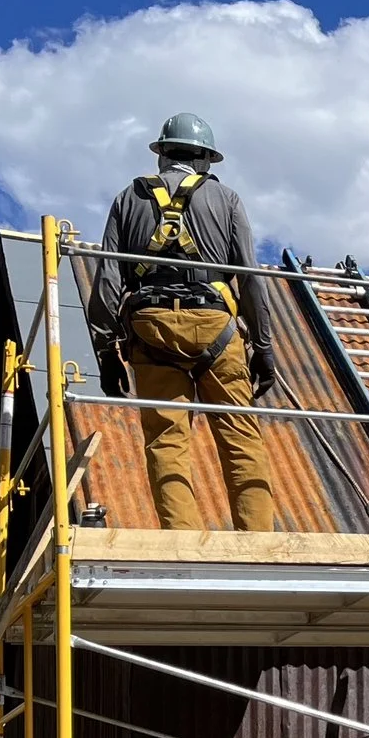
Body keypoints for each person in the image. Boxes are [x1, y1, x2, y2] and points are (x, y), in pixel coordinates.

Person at [87, 112, 279, 532]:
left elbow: (108, 279)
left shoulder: (128, 199)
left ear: (162, 155)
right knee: (240, 437)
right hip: (215, 325)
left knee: (166, 442)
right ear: (206, 159)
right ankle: (257, 541)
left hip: (150, 328)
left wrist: (105, 352)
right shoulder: (225, 199)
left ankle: (183, 541)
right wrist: (263, 348)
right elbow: (248, 277)